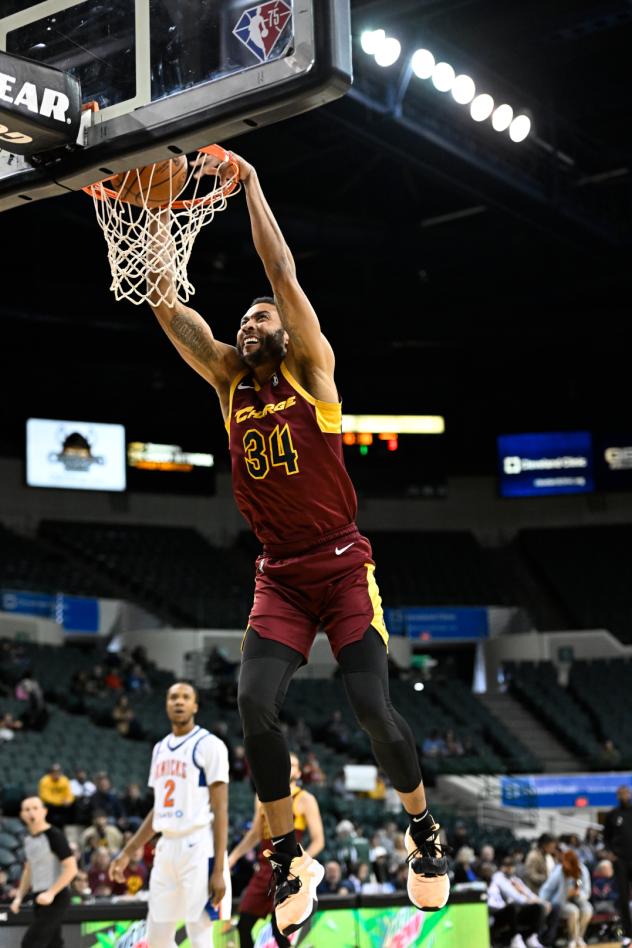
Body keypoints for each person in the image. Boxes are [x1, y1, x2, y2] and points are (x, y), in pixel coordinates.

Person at [146, 147, 448, 938]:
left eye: (259, 318)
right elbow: (174, 315)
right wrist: (149, 230)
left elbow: (281, 273)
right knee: (251, 703)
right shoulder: (229, 385)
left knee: (374, 710)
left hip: (344, 566)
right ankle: (287, 857)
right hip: (279, 575)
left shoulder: (313, 370)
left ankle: (424, 837)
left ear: (286, 329)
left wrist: (250, 186)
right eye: (242, 320)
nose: (249, 324)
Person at [108, 682, 230, 948]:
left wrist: (219, 869)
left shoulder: (210, 745)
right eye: (173, 697)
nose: (179, 701)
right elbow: (159, 809)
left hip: (199, 846)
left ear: (195, 705)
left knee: (199, 934)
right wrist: (128, 851)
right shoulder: (160, 748)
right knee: (157, 937)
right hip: (166, 847)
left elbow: (221, 809)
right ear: (166, 704)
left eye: (186, 697)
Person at [229, 752, 324, 948]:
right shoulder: (261, 796)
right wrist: (234, 856)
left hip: (286, 872)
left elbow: (319, 841)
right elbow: (255, 834)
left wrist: (300, 864)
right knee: (243, 925)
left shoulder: (305, 799)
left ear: (298, 772)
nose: (290, 767)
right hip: (264, 869)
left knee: (278, 929)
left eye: (295, 764)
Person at [10, 796, 78, 947]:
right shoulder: (28, 840)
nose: (31, 812)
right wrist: (19, 897)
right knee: (52, 943)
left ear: (44, 811)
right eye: (27, 809)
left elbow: (72, 868)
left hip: (57, 896)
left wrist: (51, 893)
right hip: (38, 897)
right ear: (22, 815)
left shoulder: (54, 836)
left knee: (31, 943)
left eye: (35, 808)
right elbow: (29, 870)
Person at [489, 856, 550, 948]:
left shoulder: (515, 879)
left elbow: (528, 892)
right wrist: (527, 900)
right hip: (498, 912)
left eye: (511, 866)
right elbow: (513, 895)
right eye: (507, 866)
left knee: (538, 907)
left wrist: (540, 901)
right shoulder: (498, 877)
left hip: (516, 910)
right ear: (502, 867)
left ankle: (531, 937)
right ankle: (515, 939)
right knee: (512, 907)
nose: (509, 868)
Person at [539, 849, 592, 948]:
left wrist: (578, 894)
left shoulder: (583, 871)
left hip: (578, 899)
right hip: (560, 901)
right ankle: (572, 939)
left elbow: (587, 892)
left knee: (588, 909)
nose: (564, 864)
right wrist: (543, 903)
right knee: (573, 911)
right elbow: (545, 889)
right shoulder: (559, 871)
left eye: (567, 862)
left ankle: (579, 938)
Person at [603, 784, 632, 946]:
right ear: (617, 796)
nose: (624, 796)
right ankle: (628, 934)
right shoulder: (612, 815)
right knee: (623, 898)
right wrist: (610, 853)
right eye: (621, 794)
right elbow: (606, 838)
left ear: (630, 794)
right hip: (620, 861)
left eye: (626, 793)